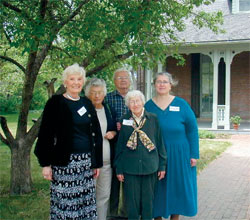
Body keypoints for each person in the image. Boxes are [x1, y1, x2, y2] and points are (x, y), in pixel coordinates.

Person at [34, 63, 103, 220]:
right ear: (65, 82)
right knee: (67, 205)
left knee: (85, 205)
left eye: (79, 79)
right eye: (72, 79)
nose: (76, 82)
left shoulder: (87, 103)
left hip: (85, 163)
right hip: (65, 164)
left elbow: (95, 134)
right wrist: (45, 164)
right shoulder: (55, 103)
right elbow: (45, 134)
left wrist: (96, 162)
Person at [144, 72, 199, 220]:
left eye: (165, 82)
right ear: (154, 85)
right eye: (159, 82)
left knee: (177, 187)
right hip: (155, 154)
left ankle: (175, 217)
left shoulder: (181, 104)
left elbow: (192, 129)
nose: (161, 84)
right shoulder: (148, 106)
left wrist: (194, 154)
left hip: (179, 153)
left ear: (171, 85)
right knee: (157, 188)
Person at [114, 90, 167, 220]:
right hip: (130, 169)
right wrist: (119, 168)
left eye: (137, 101)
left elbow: (159, 143)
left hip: (150, 167)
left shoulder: (153, 119)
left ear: (143, 102)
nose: (135, 104)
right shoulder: (124, 120)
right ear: (128, 104)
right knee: (132, 205)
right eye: (131, 101)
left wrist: (162, 166)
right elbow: (120, 147)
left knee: (148, 204)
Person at [85, 78, 117, 220]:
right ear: (87, 94)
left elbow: (112, 129)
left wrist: (113, 133)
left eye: (99, 92)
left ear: (104, 94)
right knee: (87, 195)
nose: (96, 96)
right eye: (93, 93)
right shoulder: (83, 110)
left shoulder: (107, 109)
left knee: (104, 196)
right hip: (90, 162)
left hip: (106, 162)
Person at [105, 68, 131, 219]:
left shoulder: (135, 97)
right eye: (120, 78)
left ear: (130, 81)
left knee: (129, 180)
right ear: (114, 81)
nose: (123, 80)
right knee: (114, 180)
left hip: (132, 145)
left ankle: (126, 213)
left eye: (126, 78)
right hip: (113, 143)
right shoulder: (107, 98)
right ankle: (112, 214)